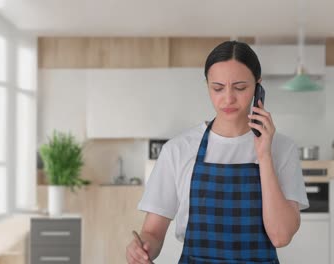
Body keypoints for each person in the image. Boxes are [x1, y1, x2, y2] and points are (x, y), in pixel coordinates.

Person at [126, 40, 309, 264]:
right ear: (207, 86)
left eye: (240, 87)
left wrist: (264, 155)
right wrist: (141, 249)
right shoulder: (178, 150)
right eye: (218, 88)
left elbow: (280, 236)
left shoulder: (282, 149)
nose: (228, 98)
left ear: (258, 87)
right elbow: (153, 233)